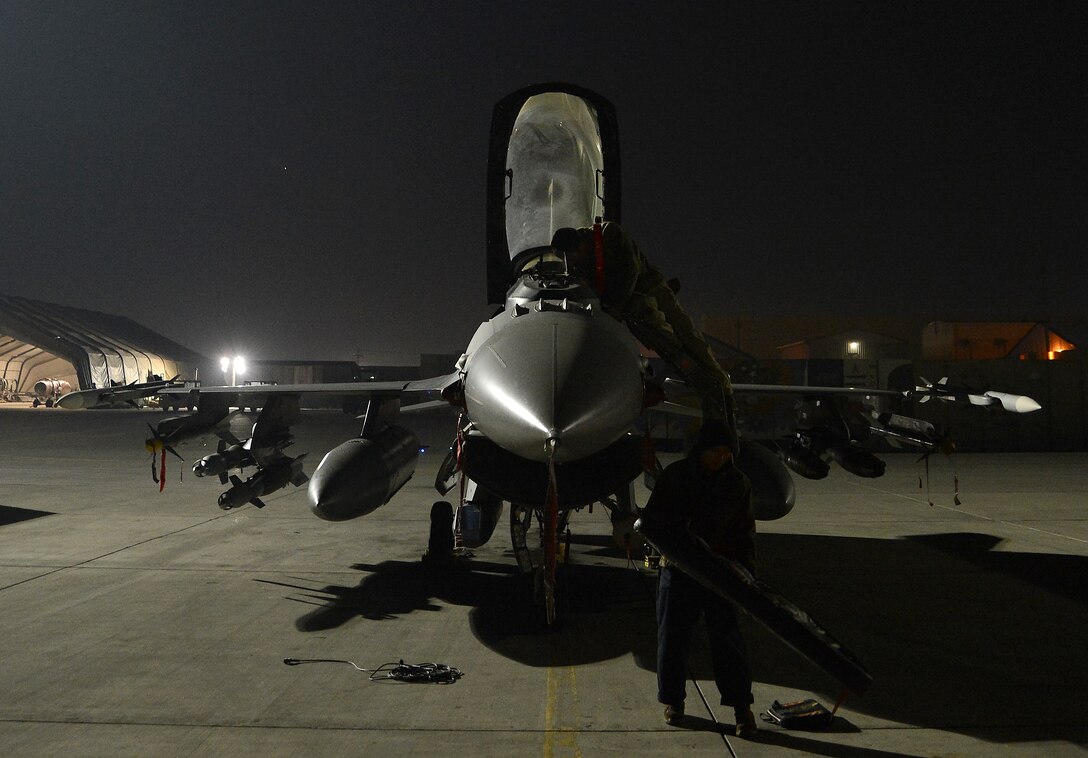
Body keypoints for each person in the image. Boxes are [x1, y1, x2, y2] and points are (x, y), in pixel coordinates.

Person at [550, 223, 738, 452]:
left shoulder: (610, 235)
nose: (573, 262)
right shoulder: (579, 266)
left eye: (573, 255)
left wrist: (616, 309)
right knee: (672, 339)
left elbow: (630, 271)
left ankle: (721, 385)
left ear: (580, 245)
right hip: (633, 305)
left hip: (652, 291)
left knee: (687, 337)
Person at [641, 419, 758, 738]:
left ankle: (741, 708)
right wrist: (677, 547)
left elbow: (744, 532)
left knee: (728, 641)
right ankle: (673, 702)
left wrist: (745, 573)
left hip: (719, 572)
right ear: (700, 450)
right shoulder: (676, 477)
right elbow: (652, 522)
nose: (720, 458)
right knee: (672, 639)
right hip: (678, 569)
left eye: (725, 452)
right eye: (714, 451)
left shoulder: (737, 484)